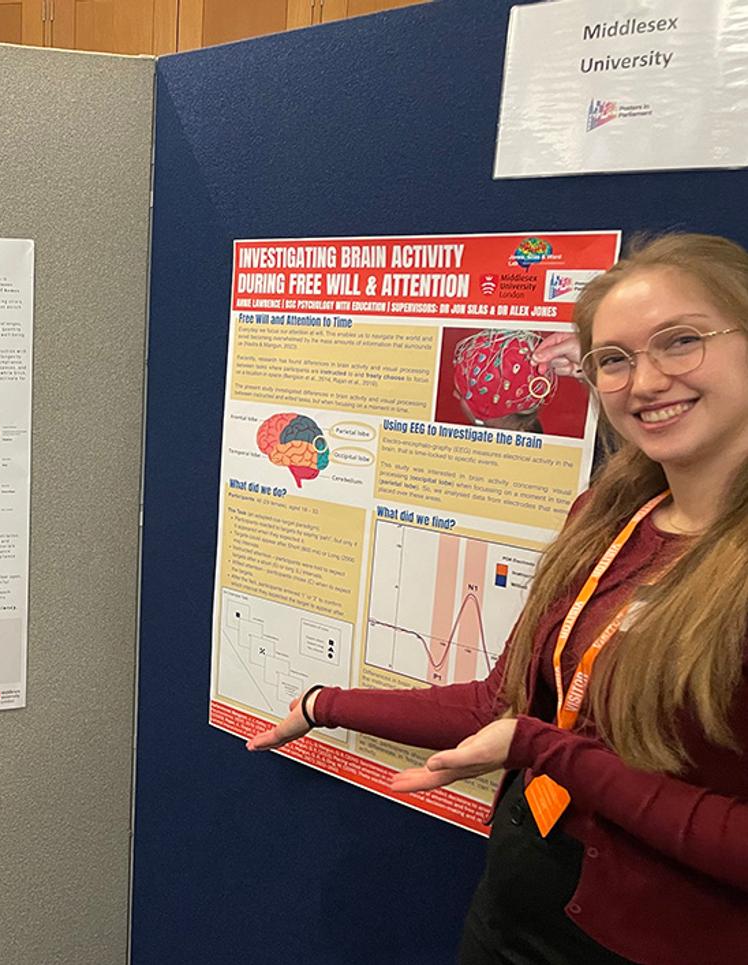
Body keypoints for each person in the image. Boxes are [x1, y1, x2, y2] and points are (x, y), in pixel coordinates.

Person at [247, 233, 748, 965]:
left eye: (681, 341)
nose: (644, 382)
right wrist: (324, 703)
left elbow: (533, 734)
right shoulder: (606, 522)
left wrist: (548, 749)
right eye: (614, 358)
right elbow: (505, 703)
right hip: (514, 915)